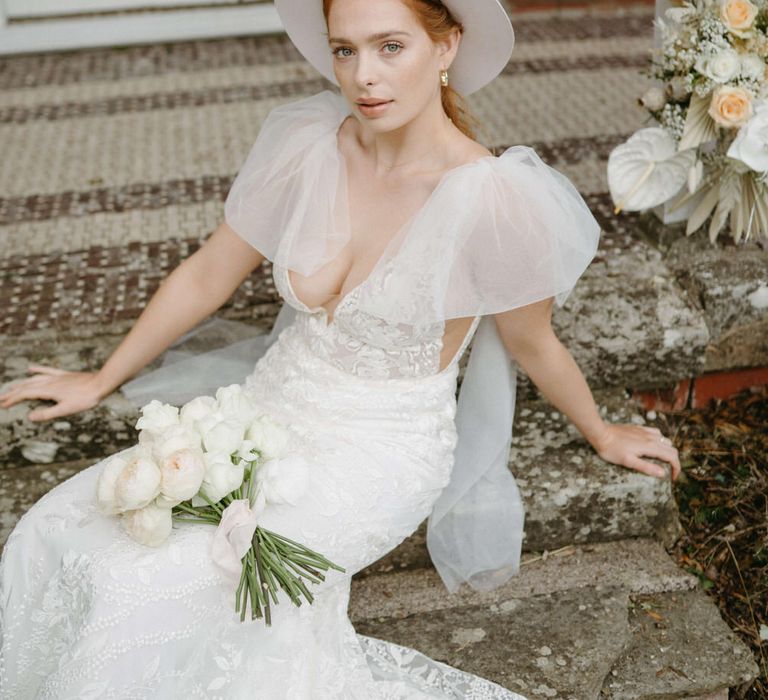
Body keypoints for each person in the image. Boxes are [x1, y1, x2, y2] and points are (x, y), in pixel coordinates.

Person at [0, 0, 681, 696]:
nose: (364, 76)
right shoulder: (311, 143)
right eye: (345, 50)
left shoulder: (494, 199)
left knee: (166, 585)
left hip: (377, 451)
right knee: (64, 527)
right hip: (263, 412)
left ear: (446, 48)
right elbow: (210, 271)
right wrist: (101, 376)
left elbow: (533, 344)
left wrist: (600, 432)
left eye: (391, 47)